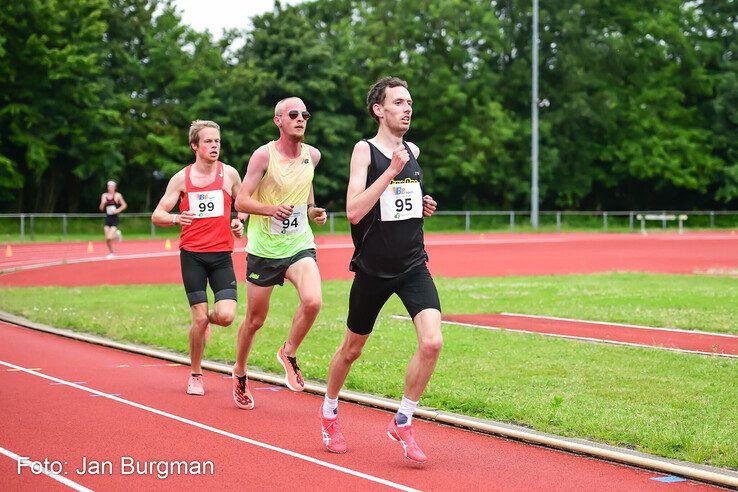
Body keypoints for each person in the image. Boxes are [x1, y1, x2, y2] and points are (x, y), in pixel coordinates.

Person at [319, 77, 442, 463]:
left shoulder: (413, 150)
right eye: (399, 102)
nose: (407, 108)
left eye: (410, 102)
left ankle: (403, 420)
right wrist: (390, 172)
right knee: (351, 349)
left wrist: (422, 203)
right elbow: (354, 210)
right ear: (379, 109)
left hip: (412, 265)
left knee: (432, 342)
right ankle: (328, 412)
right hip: (373, 269)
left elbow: (399, 204)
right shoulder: (364, 151)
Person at [232, 97, 327, 410]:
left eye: (305, 115)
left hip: (299, 244)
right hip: (264, 250)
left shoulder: (312, 155)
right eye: (294, 114)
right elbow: (241, 202)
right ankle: (240, 371)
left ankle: (288, 351)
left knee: (313, 300)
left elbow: (307, 194)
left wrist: (314, 212)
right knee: (255, 320)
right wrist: (272, 209)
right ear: (278, 121)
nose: (301, 119)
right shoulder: (263, 155)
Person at [151, 120, 246, 396]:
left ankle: (204, 323)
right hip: (192, 256)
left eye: (217, 141)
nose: (214, 146)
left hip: (221, 256)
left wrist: (240, 222)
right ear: (195, 146)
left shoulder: (229, 174)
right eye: (208, 141)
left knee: (226, 316)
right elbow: (157, 215)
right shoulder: (182, 178)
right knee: (199, 317)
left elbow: (243, 204)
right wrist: (176, 217)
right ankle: (195, 373)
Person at [99, 180, 127, 258]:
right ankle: (112, 253)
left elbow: (124, 205)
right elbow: (101, 209)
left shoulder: (118, 195)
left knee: (109, 237)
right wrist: (103, 203)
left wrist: (117, 210)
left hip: (115, 218)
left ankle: (118, 235)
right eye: (108, 186)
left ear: (114, 187)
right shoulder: (104, 195)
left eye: (111, 186)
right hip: (108, 218)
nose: (109, 188)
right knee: (107, 239)